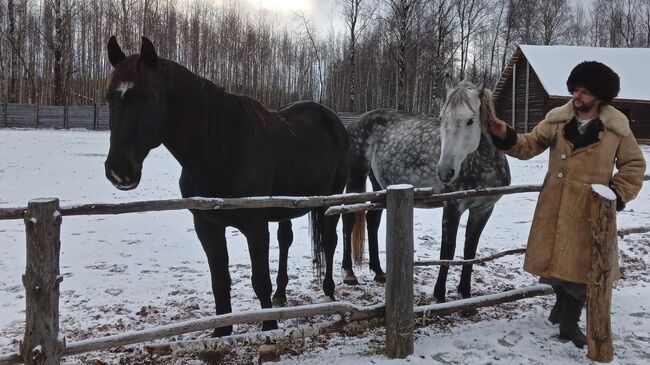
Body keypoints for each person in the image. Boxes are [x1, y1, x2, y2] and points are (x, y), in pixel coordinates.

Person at [489, 61, 646, 348]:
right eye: (575, 89)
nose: (577, 96)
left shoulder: (616, 128)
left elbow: (634, 166)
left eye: (584, 91)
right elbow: (528, 145)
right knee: (557, 262)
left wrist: (615, 196)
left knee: (582, 268)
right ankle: (560, 310)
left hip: (590, 210)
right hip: (555, 204)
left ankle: (569, 323)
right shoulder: (557, 120)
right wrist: (505, 134)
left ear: (599, 95)